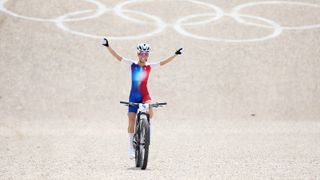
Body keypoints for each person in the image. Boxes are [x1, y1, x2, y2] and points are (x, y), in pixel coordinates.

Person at [102, 38, 183, 159]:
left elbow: (163, 62)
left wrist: (175, 55)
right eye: (141, 53)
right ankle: (131, 147)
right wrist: (108, 46)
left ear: (148, 55)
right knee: (131, 120)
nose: (143, 56)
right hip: (133, 95)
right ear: (138, 54)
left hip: (145, 94)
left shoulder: (150, 66)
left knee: (151, 110)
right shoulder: (132, 64)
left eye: (145, 54)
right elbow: (118, 57)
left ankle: (146, 128)